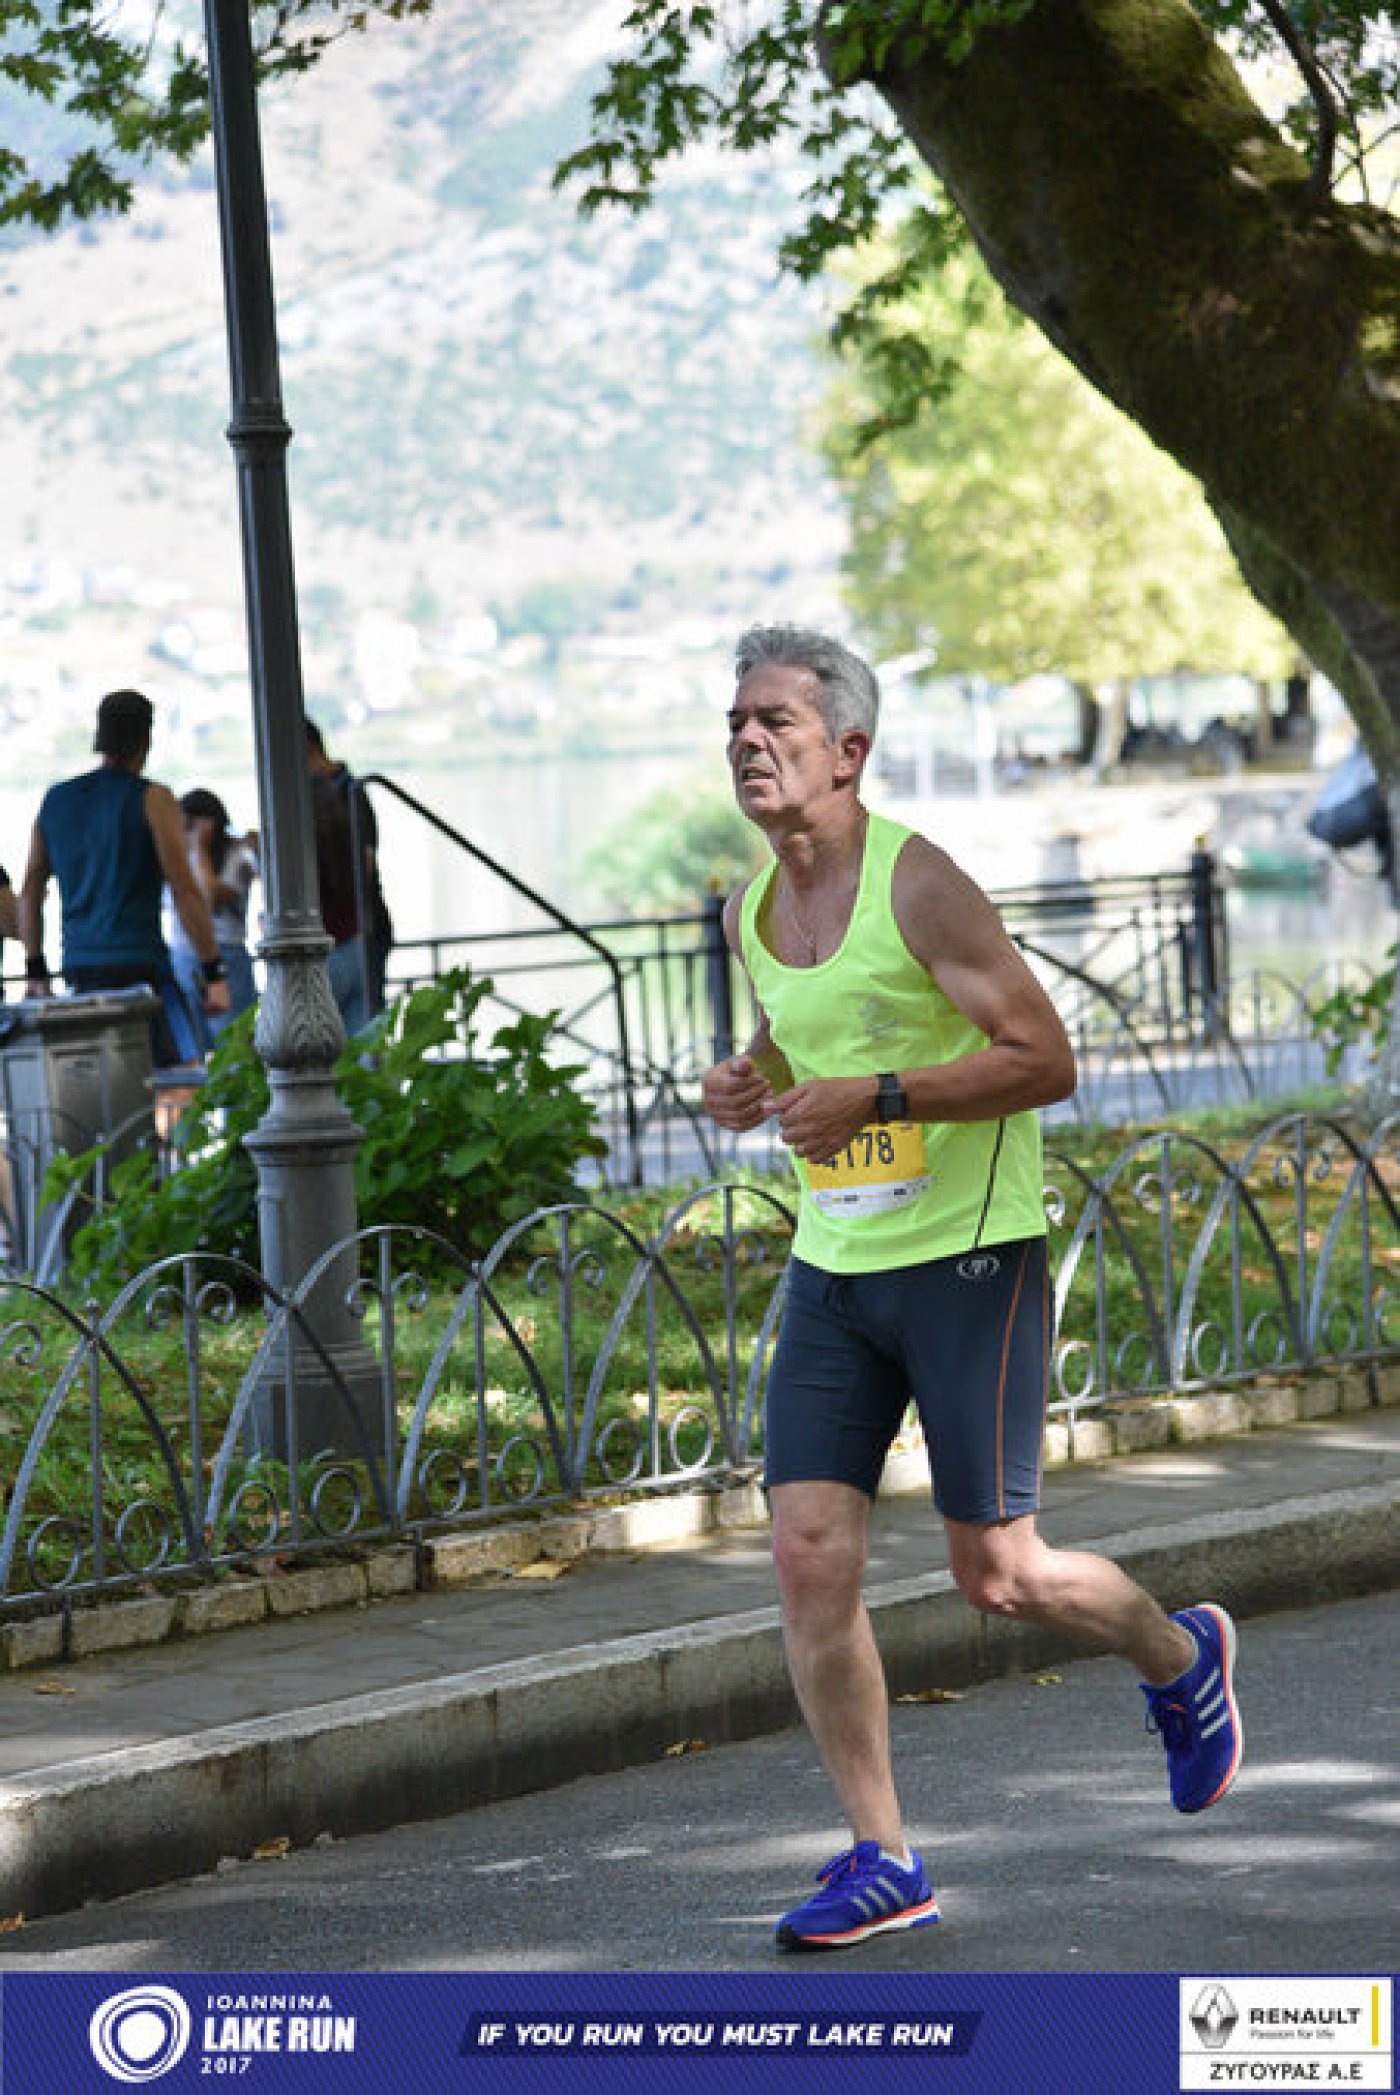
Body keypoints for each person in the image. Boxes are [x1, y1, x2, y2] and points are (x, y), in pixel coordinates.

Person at [700, 625, 1243, 1953]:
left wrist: (880, 1096)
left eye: (775, 721)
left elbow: (1043, 1057)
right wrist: (752, 1080)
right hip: (834, 1265)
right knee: (806, 1550)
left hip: (969, 1259)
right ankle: (883, 1855)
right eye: (735, 723)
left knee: (998, 1573)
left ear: (848, 749)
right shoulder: (748, 909)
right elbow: (800, 1042)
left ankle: (1180, 1656)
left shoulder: (922, 883)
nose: (748, 741)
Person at [16, 689, 230, 1067]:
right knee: (181, 1078)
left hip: (80, 971)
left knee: (106, 1081)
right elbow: (184, 889)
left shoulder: (56, 800)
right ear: (147, 739)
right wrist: (214, 971)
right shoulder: (154, 799)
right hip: (142, 969)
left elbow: (31, 891)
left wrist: (35, 969)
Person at [305, 718, 393, 1036]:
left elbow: (365, 864)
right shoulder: (347, 792)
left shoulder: (347, 794)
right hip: (354, 933)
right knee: (364, 1039)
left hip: (352, 932)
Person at [169, 788, 260, 1045]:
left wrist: (200, 847)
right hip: (184, 955)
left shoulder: (237, 856)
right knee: (191, 1043)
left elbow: (210, 895)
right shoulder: (176, 857)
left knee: (233, 1042)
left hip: (227, 953)